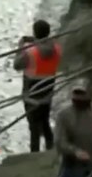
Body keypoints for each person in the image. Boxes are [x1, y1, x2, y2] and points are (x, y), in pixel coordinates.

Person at [14, 20, 62, 152]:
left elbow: (16, 65)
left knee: (34, 128)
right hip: (47, 93)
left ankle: (34, 154)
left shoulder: (30, 52)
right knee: (45, 122)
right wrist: (36, 41)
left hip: (31, 94)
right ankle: (50, 148)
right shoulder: (57, 49)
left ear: (35, 32)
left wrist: (20, 47)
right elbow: (47, 46)